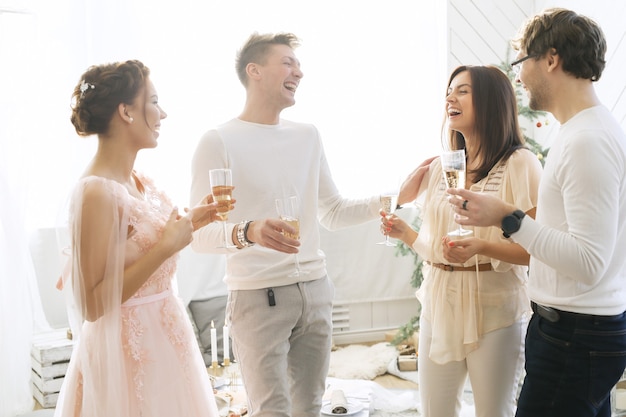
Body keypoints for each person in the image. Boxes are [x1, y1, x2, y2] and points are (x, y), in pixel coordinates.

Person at [189, 32, 383, 417]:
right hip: (258, 299)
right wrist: (249, 231)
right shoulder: (218, 141)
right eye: (288, 62)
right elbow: (199, 235)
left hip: (315, 291)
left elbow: (333, 211)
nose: (299, 72)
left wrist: (394, 199)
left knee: (309, 407)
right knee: (271, 411)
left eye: (298, 64)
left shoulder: (307, 135)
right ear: (255, 70)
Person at [446, 8, 626, 417]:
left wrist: (508, 218)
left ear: (550, 59)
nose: (518, 76)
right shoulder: (581, 132)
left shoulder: (587, 140)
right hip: (573, 331)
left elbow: (588, 261)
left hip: (575, 337)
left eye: (520, 62)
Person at [54, 60, 226, 417]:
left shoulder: (139, 179)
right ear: (126, 112)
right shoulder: (96, 192)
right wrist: (166, 247)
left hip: (166, 338)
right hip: (127, 356)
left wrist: (192, 220)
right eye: (155, 101)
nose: (164, 113)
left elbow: (140, 243)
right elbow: (92, 305)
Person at [381, 65, 542, 417]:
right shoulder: (442, 167)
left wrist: (482, 246)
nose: (450, 98)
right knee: (435, 411)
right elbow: (438, 250)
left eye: (463, 91)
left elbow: (535, 250)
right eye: (449, 91)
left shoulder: (520, 163)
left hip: (495, 306)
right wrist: (405, 233)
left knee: (492, 412)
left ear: (490, 102)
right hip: (440, 302)